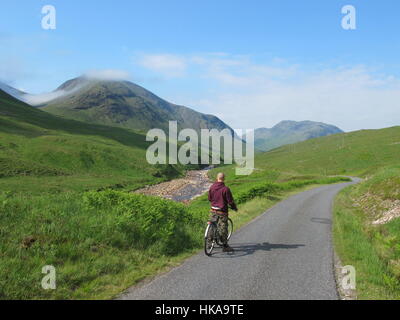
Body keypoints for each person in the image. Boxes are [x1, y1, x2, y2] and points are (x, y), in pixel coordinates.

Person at [208, 172, 238, 252]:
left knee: (212, 225)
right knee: (223, 228)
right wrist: (234, 208)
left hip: (213, 210)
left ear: (217, 178)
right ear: (224, 179)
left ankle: (209, 243)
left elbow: (210, 198)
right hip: (222, 212)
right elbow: (230, 201)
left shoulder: (212, 187)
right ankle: (225, 246)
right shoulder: (225, 189)